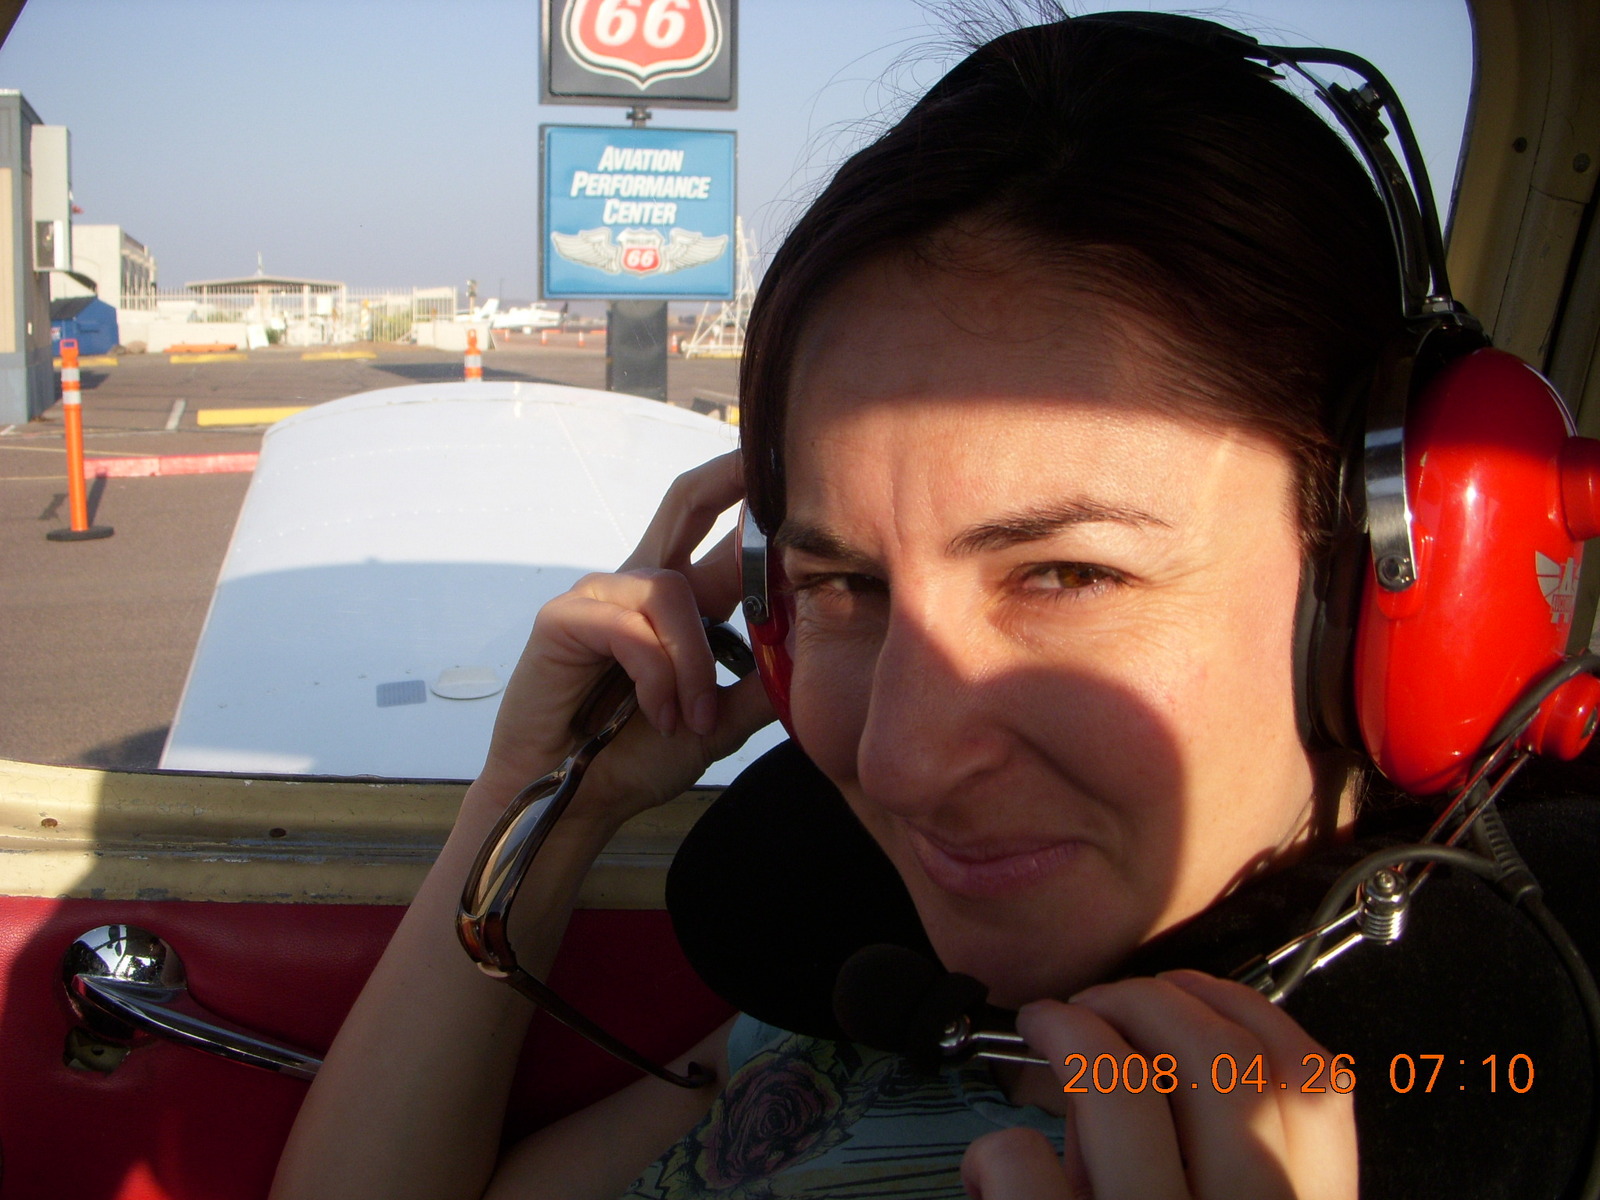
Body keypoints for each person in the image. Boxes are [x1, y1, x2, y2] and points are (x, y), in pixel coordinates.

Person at [270, 13, 1596, 1200]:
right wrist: (546, 798)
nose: (900, 762)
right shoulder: (869, 980)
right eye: (845, 584)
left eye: (1067, 576)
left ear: (1403, 589)